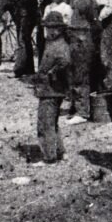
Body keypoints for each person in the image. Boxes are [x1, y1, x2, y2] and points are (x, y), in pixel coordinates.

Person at [31, 11, 72, 164]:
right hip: (52, 90)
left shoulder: (59, 46)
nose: (48, 31)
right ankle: (60, 151)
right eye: (47, 28)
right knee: (52, 123)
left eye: (51, 28)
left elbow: (65, 62)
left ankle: (49, 157)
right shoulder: (55, 43)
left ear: (59, 29)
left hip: (51, 90)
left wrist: (51, 73)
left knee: (45, 123)